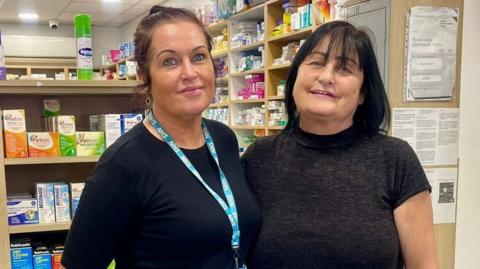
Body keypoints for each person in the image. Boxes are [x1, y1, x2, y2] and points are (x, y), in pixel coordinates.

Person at [62, 6, 261, 269]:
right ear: (146, 75)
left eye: (199, 56)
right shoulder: (124, 163)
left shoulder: (223, 138)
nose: (190, 73)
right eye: (170, 61)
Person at [242, 21, 438, 269]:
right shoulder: (259, 158)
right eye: (316, 62)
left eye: (345, 68)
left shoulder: (395, 159)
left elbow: (424, 264)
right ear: (295, 76)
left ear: (363, 92)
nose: (326, 77)